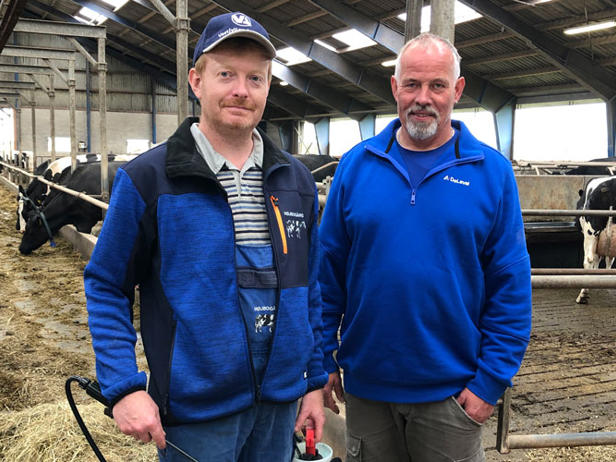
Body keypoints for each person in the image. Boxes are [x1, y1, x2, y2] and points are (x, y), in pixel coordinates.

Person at [84, 12, 327, 462]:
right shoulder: (149, 179)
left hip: (279, 405)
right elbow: (106, 284)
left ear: (268, 87)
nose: (241, 90)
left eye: (255, 78)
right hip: (196, 413)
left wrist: (314, 382)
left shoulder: (296, 181)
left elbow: (309, 287)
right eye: (226, 75)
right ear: (196, 81)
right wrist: (123, 387)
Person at [318, 32, 532, 462]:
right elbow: (326, 272)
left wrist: (489, 382)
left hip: (452, 395)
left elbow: (510, 286)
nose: (423, 98)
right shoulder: (357, 165)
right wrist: (321, 358)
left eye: (437, 85)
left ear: (457, 89)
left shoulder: (490, 171)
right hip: (368, 388)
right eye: (412, 84)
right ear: (394, 88)